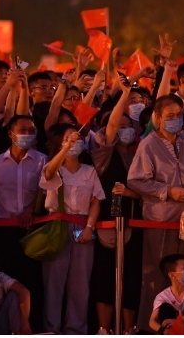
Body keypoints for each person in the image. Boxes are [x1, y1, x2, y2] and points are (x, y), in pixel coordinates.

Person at [127, 94, 184, 332]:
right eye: (170, 116)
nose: (175, 120)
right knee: (158, 277)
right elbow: (135, 180)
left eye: (179, 115)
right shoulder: (148, 144)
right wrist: (167, 191)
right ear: (157, 118)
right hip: (160, 219)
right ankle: (154, 327)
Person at [39, 123, 105, 334]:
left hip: (81, 225)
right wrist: (65, 148)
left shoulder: (89, 170)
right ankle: (52, 329)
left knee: (80, 283)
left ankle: (76, 330)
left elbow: (96, 201)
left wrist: (89, 227)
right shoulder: (54, 165)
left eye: (76, 140)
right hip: (56, 226)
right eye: (68, 139)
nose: (74, 143)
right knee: (53, 283)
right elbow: (48, 174)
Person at [91, 80, 143, 334]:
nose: (124, 130)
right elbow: (111, 125)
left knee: (131, 278)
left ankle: (129, 329)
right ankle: (104, 329)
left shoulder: (140, 154)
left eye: (128, 126)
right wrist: (124, 96)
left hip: (136, 224)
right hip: (106, 225)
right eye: (119, 126)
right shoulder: (102, 155)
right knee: (105, 277)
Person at [0, 114, 46, 331]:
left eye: (32, 130)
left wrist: (32, 210)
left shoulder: (43, 161)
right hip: (1, 231)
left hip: (31, 231)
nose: (27, 134)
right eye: (23, 130)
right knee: (3, 281)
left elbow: (44, 191)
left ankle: (31, 328)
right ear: (11, 134)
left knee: (31, 282)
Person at [149, 254, 184, 335]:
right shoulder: (162, 296)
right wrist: (164, 331)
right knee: (165, 308)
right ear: (172, 275)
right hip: (174, 332)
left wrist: (179, 320)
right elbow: (152, 321)